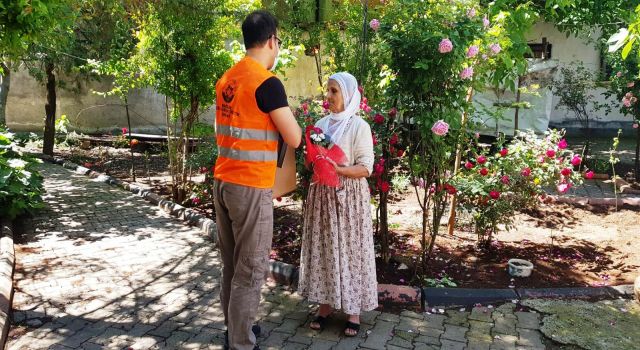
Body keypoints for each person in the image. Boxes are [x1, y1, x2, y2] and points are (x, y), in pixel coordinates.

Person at [213, 10, 301, 350]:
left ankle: (235, 329)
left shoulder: (227, 79)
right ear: (270, 40)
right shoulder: (267, 82)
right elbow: (293, 137)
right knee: (250, 270)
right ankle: (241, 343)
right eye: (278, 42)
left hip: (223, 181)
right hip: (250, 187)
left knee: (232, 266)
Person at [298, 72, 377, 337]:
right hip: (322, 197)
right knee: (325, 249)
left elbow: (366, 168)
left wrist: (339, 170)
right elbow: (310, 162)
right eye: (328, 91)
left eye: (334, 91)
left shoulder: (359, 127)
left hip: (349, 199)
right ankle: (325, 305)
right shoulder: (321, 125)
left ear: (348, 95)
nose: (328, 96)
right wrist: (311, 161)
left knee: (351, 250)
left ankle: (353, 311)